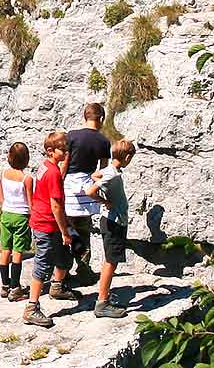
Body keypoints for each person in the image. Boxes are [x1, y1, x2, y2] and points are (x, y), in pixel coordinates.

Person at [23, 131, 80, 328]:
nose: (66, 153)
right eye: (62, 150)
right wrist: (65, 231)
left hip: (46, 221)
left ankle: (57, 287)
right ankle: (31, 307)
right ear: (50, 151)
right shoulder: (53, 173)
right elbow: (55, 205)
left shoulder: (45, 166)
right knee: (43, 263)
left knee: (64, 257)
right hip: (46, 224)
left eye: (67, 149)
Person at [88, 139, 138, 318]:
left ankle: (105, 296)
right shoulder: (112, 175)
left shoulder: (110, 170)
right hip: (114, 222)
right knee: (111, 262)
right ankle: (102, 303)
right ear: (126, 157)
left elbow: (95, 175)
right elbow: (90, 191)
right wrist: (105, 201)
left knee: (110, 260)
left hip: (111, 221)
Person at [64, 103, 111, 279]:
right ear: (101, 119)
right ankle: (83, 268)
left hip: (68, 186)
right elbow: (103, 170)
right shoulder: (104, 141)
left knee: (67, 229)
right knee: (84, 230)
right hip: (86, 189)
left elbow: (65, 163)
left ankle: (63, 271)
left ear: (85, 116)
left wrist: (59, 182)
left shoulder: (72, 136)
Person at [0, 142, 33, 301]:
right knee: (18, 251)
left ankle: (5, 285)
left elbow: (1, 196)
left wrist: (6, 207)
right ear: (26, 159)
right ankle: (15, 287)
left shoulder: (3, 173)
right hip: (21, 216)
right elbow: (31, 202)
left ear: (9, 156)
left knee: (5, 249)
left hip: (6, 214)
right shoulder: (27, 178)